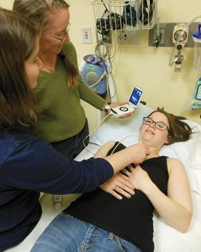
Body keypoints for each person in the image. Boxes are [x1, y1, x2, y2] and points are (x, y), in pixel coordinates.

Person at [0, 4, 148, 252]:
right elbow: (78, 177)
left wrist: (104, 109)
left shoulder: (2, 113)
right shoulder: (16, 149)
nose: (40, 66)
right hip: (9, 231)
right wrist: (131, 153)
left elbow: (76, 84)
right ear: (7, 74)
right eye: (32, 60)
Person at [31, 108, 193, 252]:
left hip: (125, 240)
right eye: (149, 121)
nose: (152, 125)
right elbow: (79, 180)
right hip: (72, 224)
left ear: (167, 138)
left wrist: (147, 185)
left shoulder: (170, 165)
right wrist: (101, 180)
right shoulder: (112, 146)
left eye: (160, 125)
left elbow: (183, 222)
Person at [12, 0, 131, 160]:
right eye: (60, 33)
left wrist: (105, 106)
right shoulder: (22, 72)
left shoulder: (66, 49)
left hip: (81, 132)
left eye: (67, 29)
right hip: (54, 147)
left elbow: (76, 83)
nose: (67, 38)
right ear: (33, 33)